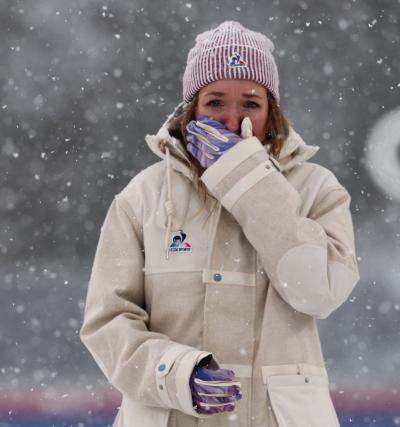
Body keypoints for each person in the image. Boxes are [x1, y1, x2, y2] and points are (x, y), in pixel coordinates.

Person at [79, 21, 359, 427]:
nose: (232, 119)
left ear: (271, 111)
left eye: (250, 103)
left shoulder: (317, 188)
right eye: (214, 102)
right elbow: (107, 322)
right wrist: (174, 375)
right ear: (191, 109)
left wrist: (246, 179)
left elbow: (321, 291)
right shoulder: (142, 196)